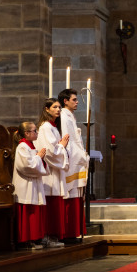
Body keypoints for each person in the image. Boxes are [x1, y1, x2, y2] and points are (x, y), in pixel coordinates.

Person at [35, 98, 69, 248]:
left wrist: (61, 147)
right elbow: (49, 151)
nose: (58, 110)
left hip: (55, 171)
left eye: (59, 107)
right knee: (50, 205)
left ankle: (52, 236)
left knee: (54, 204)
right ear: (47, 109)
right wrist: (62, 146)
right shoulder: (45, 127)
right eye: (55, 107)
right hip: (49, 172)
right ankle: (47, 236)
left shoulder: (53, 127)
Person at [12, 122, 49, 250]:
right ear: (27, 133)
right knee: (28, 213)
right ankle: (25, 240)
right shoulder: (22, 147)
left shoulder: (31, 146)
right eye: (34, 131)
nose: (37, 133)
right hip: (25, 185)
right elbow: (26, 166)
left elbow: (36, 164)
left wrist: (40, 158)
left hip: (33, 183)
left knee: (35, 211)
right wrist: (39, 158)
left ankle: (35, 238)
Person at [58, 89, 89, 242]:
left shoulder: (70, 116)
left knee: (76, 195)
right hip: (71, 161)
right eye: (74, 99)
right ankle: (68, 233)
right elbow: (67, 140)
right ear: (65, 101)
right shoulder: (64, 116)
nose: (77, 102)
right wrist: (81, 156)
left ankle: (73, 232)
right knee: (70, 195)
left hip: (75, 158)